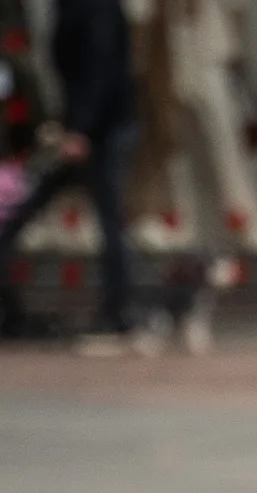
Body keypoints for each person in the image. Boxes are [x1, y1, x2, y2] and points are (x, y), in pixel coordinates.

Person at [0, 0, 137, 350]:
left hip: (99, 129)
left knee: (107, 218)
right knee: (27, 205)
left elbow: (99, 65)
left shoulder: (94, 8)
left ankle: (119, 311)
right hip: (86, 126)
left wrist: (80, 129)